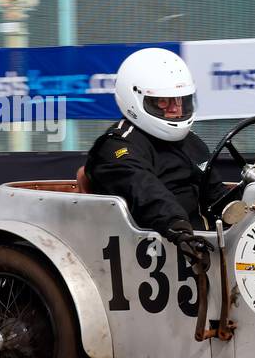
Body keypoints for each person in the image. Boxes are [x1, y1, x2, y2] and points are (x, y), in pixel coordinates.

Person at [84, 48, 230, 265]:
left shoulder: (191, 142)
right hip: (159, 249)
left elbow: (216, 195)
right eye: (164, 102)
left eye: (180, 101)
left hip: (205, 243)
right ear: (135, 98)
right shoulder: (116, 147)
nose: (176, 111)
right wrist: (178, 227)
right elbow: (145, 191)